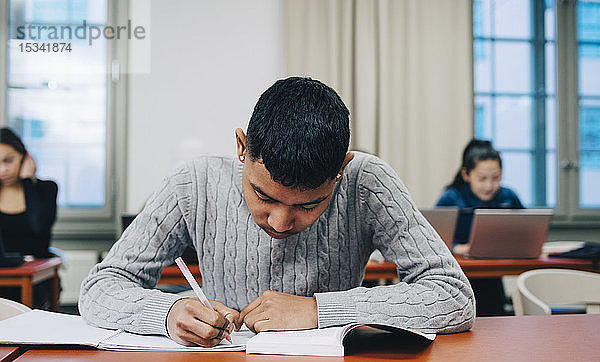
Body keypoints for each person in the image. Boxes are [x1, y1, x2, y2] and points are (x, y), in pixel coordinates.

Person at [80, 77, 475, 347]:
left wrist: (320, 310)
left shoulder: (366, 181)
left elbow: (453, 295)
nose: (281, 222)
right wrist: (168, 312)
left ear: (341, 168)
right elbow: (101, 288)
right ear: (241, 147)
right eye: (263, 196)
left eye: (309, 205)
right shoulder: (193, 184)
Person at [436, 139, 524, 316]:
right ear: (466, 174)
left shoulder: (508, 197)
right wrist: (456, 247)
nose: (489, 185)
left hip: (492, 274)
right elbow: (433, 238)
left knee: (495, 322)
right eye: (482, 178)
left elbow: (527, 230)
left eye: (496, 177)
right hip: (459, 277)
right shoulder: (451, 198)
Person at [0, 127, 58, 308]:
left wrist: (27, 181)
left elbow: (38, 226)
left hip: (35, 276)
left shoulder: (46, 189)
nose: (2, 169)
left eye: (8, 160)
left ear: (24, 157)